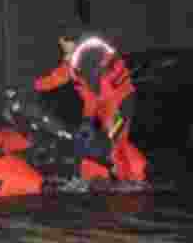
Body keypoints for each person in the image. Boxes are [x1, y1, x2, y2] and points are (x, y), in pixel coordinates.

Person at [33, 31, 147, 183]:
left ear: (73, 42)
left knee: (115, 141)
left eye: (64, 45)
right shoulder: (77, 60)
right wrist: (32, 86)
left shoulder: (88, 55)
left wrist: (89, 119)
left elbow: (98, 92)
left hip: (120, 103)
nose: (63, 49)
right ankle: (112, 175)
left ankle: (134, 179)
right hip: (109, 104)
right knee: (108, 140)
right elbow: (59, 78)